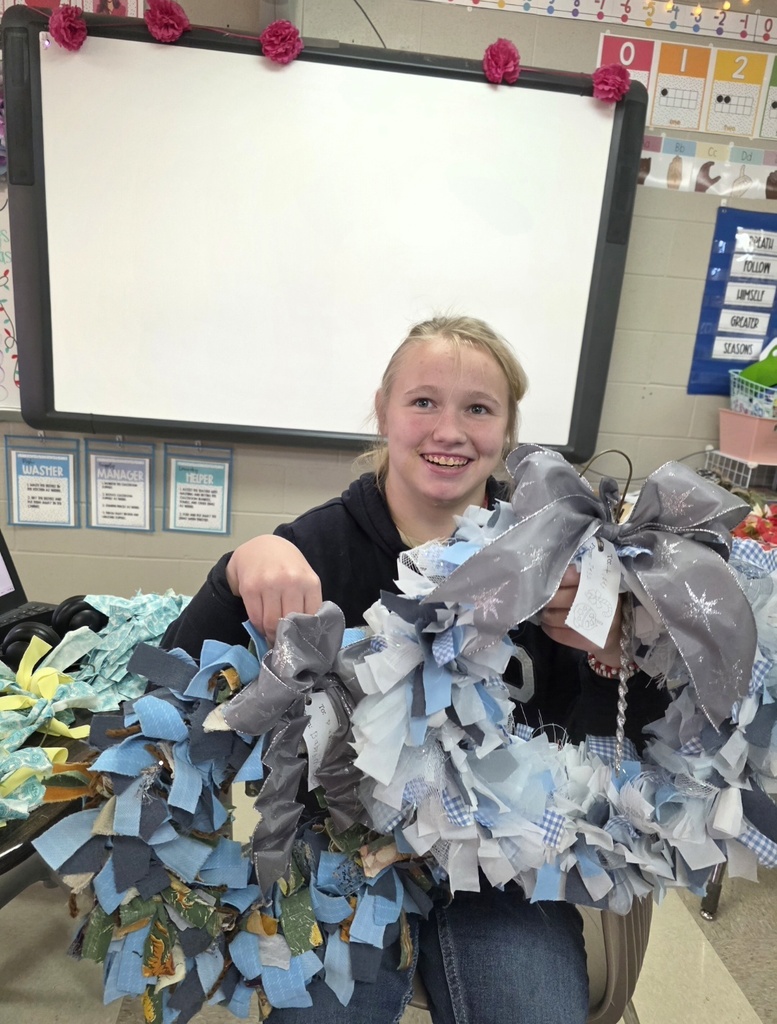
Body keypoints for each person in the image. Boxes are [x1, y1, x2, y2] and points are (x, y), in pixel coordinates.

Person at [162, 315, 668, 1024]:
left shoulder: (560, 557)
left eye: (478, 409)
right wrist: (239, 567)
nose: (449, 430)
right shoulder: (316, 546)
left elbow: (624, 745)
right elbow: (171, 678)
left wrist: (611, 651)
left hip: (505, 865)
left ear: (507, 429)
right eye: (423, 401)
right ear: (383, 412)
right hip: (343, 849)